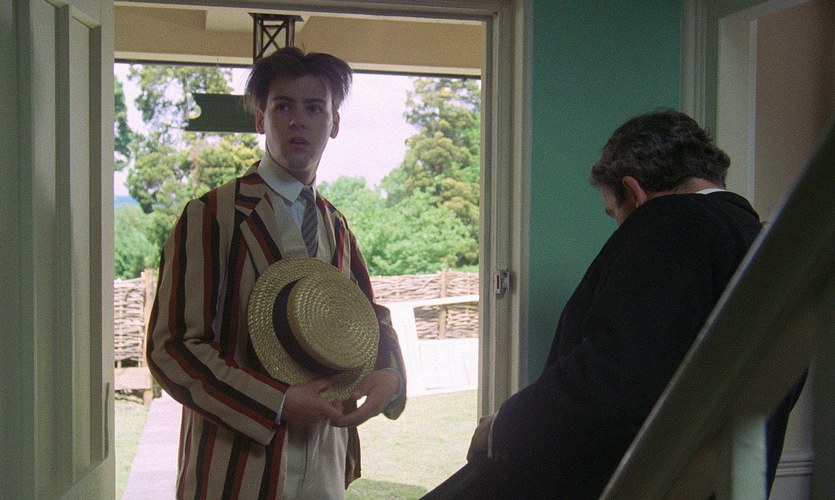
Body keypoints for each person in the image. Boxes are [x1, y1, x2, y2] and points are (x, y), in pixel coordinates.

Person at [424, 110, 801, 499]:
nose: (622, 228)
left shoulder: (670, 221)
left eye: (615, 214)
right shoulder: (764, 247)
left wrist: (502, 427)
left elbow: (614, 382)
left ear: (634, 193)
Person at [146, 47, 406, 499]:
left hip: (326, 458)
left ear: (334, 123)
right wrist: (278, 403)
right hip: (238, 468)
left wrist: (389, 371)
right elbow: (172, 348)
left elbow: (366, 316)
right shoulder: (213, 215)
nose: (298, 121)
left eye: (314, 108)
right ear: (260, 119)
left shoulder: (336, 226)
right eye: (283, 106)